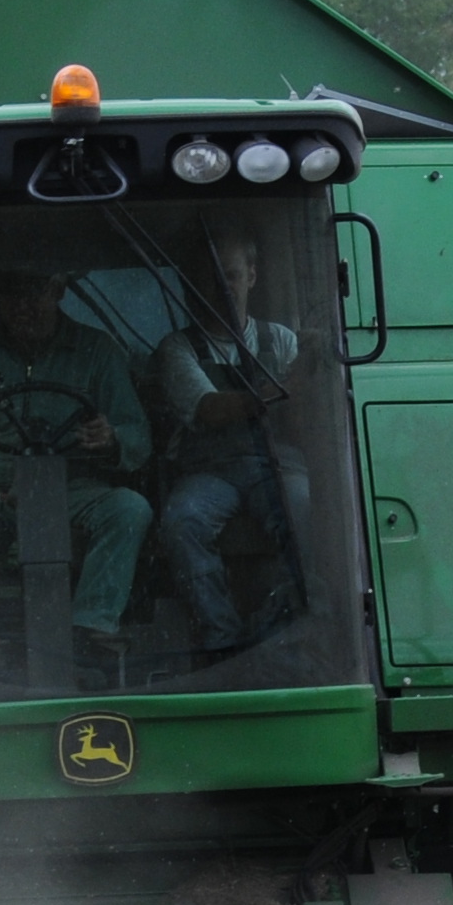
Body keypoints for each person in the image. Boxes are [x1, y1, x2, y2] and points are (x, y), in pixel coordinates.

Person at [0, 269, 151, 663]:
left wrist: (111, 437)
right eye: (10, 293)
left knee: (129, 509)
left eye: (34, 291)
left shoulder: (97, 351)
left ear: (58, 289)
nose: (22, 306)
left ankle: (91, 626)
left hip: (73, 490)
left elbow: (138, 435)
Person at [143, 228, 303, 653]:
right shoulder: (179, 347)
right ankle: (223, 639)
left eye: (231, 275)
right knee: (181, 521)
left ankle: (291, 621)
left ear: (252, 276)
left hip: (274, 463)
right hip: (209, 470)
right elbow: (209, 408)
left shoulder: (281, 340)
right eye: (211, 277)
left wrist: (312, 377)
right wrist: (286, 386)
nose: (222, 286)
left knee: (307, 514)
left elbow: (306, 417)